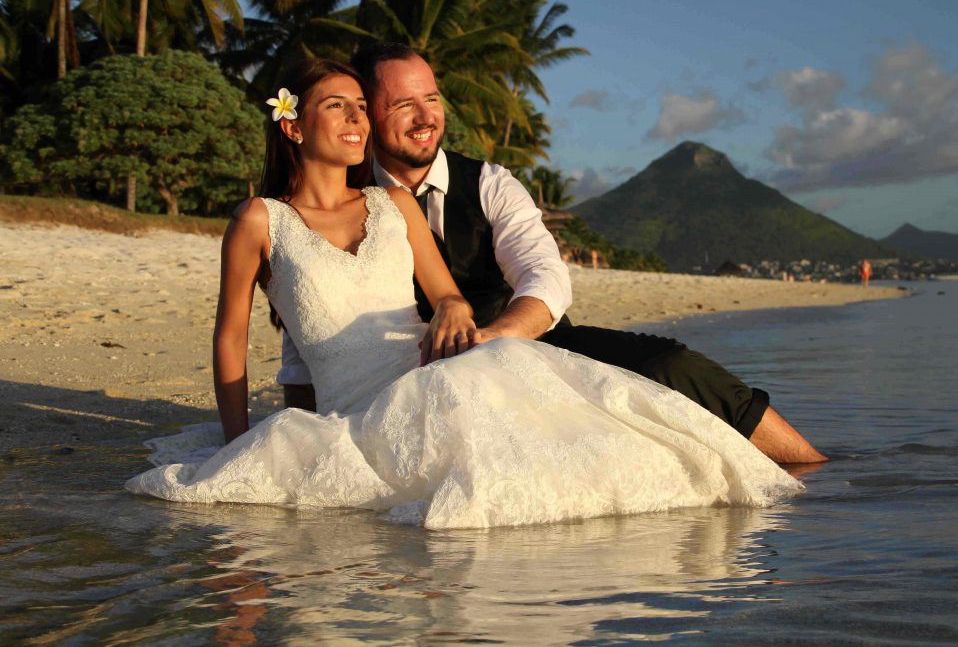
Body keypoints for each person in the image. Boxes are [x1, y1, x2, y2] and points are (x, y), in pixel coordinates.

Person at [126, 58, 801, 529]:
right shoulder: (258, 220)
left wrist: (452, 307)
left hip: (438, 373)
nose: (357, 119)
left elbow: (454, 293)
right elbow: (233, 339)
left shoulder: (395, 204)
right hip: (345, 410)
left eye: (363, 107)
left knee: (602, 423)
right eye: (340, 106)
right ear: (293, 126)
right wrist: (235, 441)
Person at [277, 43, 826, 465]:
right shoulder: (338, 206)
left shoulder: (490, 183)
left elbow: (546, 278)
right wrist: (298, 432)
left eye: (433, 99)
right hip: (417, 380)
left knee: (671, 364)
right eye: (403, 104)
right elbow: (314, 317)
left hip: (535, 346)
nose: (426, 117)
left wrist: (497, 337)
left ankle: (815, 473)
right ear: (367, 113)